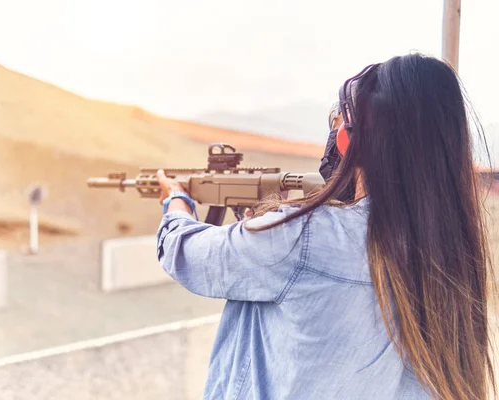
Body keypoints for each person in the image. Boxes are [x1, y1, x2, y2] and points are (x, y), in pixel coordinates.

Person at [155, 53, 496, 400]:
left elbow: (188, 255)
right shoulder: (452, 250)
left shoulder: (304, 238)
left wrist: (175, 202)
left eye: (337, 120)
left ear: (351, 137)